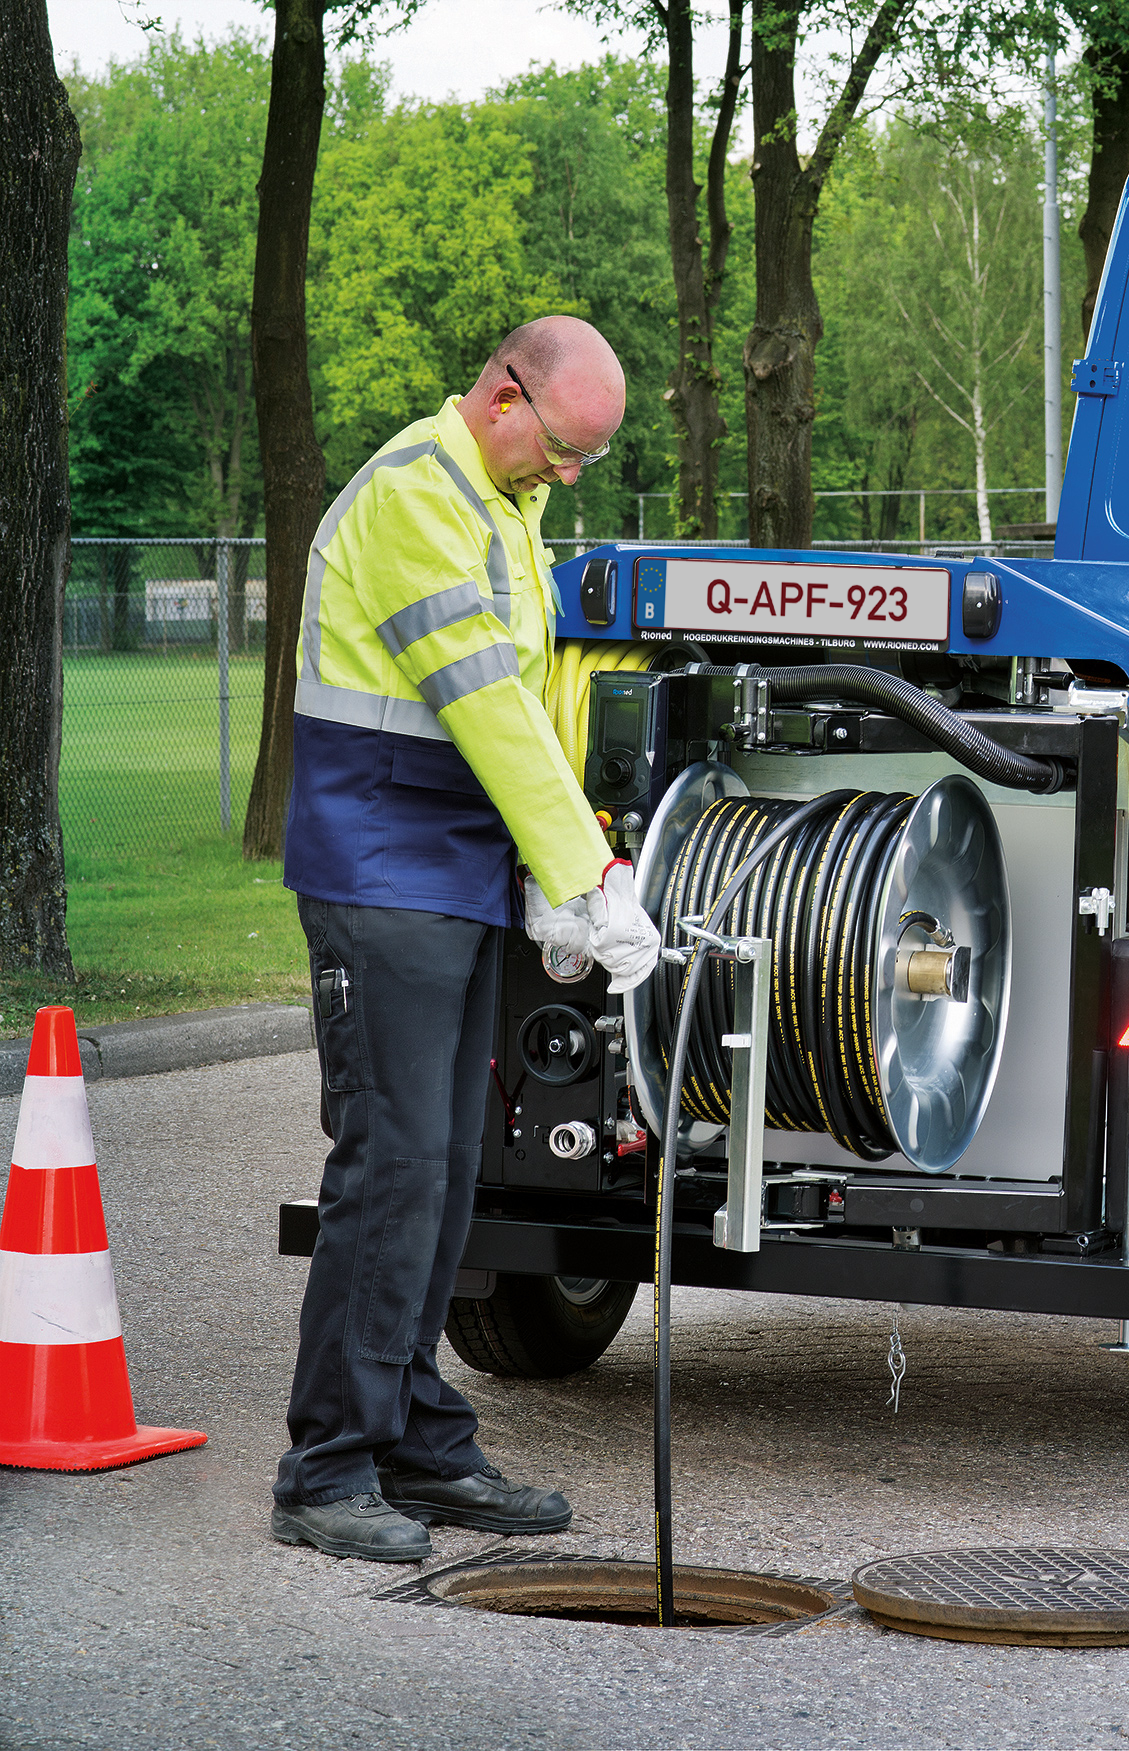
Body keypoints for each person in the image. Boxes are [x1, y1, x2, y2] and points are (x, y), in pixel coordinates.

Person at [271, 316, 659, 1562]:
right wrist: (582, 870)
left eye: (584, 461)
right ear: (504, 395)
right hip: (381, 863)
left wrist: (566, 863)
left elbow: (535, 702)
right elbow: (483, 706)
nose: (568, 474)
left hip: (452, 875)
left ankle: (415, 1437)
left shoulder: (500, 501)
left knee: (444, 1178)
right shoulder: (415, 496)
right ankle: (327, 1463)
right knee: (391, 1165)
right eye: (562, 447)